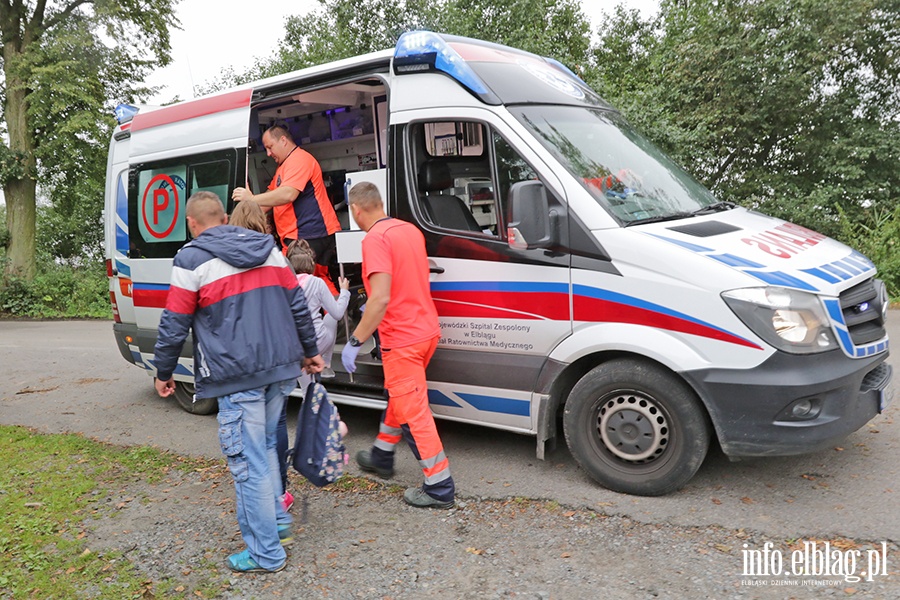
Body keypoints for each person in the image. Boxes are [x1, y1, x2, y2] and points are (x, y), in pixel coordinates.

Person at [153, 191, 324, 573]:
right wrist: (309, 350)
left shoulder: (191, 258)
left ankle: (267, 554)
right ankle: (278, 524)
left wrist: (164, 372)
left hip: (235, 375)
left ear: (192, 224)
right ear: (225, 217)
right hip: (280, 369)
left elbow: (174, 321)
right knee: (264, 450)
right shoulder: (269, 249)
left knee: (249, 464)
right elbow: (296, 303)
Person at [341, 182, 455, 509]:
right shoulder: (409, 230)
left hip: (401, 338)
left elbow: (380, 299)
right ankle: (382, 454)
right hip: (425, 331)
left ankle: (439, 486)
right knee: (401, 394)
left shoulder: (375, 239)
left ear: (357, 210)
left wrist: (354, 340)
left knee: (413, 411)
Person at [228, 199, 295, 514]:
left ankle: (266, 505)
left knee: (252, 438)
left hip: (246, 359)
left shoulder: (224, 261)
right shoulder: (278, 258)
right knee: (274, 429)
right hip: (279, 355)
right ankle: (280, 491)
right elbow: (294, 306)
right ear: (263, 225)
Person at [232, 121, 340, 291]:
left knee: (289, 282)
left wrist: (251, 199)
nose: (268, 153)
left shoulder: (299, 159)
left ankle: (326, 314)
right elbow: (268, 200)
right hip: (307, 235)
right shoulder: (284, 167)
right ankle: (335, 314)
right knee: (317, 280)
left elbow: (288, 194)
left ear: (283, 140)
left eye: (270, 147)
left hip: (308, 234)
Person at [287, 238, 351, 379]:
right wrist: (344, 292)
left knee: (307, 392)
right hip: (317, 342)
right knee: (331, 317)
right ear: (311, 262)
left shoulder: (283, 284)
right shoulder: (317, 283)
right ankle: (327, 364)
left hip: (293, 348)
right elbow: (338, 313)